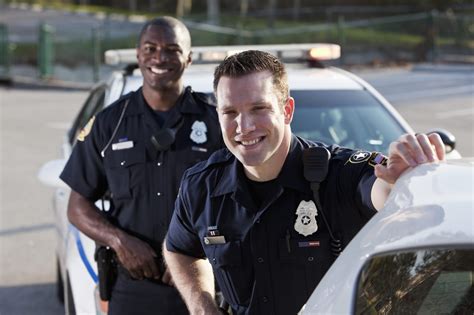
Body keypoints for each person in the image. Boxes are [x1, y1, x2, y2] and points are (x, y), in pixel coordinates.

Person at [163, 50, 445, 315]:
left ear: (287, 110)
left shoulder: (338, 174)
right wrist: (202, 306)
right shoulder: (202, 186)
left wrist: (400, 179)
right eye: (230, 112)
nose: (244, 126)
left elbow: (381, 190)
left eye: (258, 108)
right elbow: (179, 248)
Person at [60, 16, 222, 315]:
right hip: (135, 287)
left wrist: (200, 254)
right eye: (151, 48)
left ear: (188, 58)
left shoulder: (217, 122)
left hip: (205, 286)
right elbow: (77, 206)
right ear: (139, 56)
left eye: (172, 49)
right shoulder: (110, 123)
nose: (160, 57)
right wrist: (120, 241)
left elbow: (245, 199)